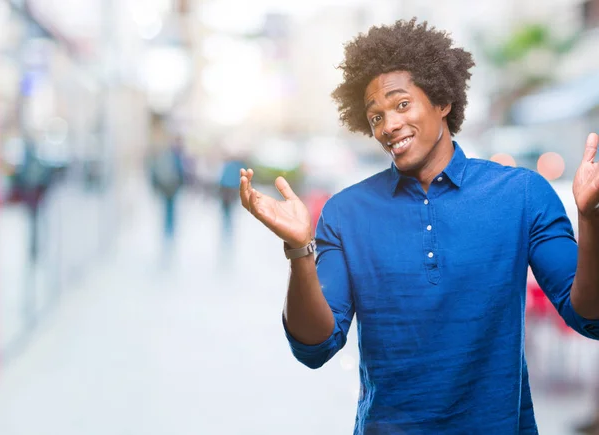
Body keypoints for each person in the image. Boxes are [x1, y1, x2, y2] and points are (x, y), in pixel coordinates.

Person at [239, 18, 599, 434]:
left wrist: (590, 219)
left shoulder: (522, 194)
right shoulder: (345, 212)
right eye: (375, 117)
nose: (388, 125)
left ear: (442, 101)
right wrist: (299, 250)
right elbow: (315, 345)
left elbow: (588, 316)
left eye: (401, 104)